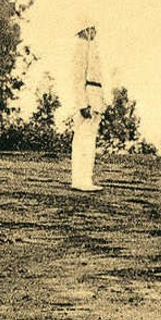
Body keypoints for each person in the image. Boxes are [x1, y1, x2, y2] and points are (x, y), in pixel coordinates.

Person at [70, 15, 105, 191]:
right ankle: (80, 180)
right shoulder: (81, 48)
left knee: (88, 140)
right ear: (85, 30)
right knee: (84, 139)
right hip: (88, 98)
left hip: (95, 96)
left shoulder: (91, 48)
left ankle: (85, 179)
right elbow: (78, 78)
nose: (94, 32)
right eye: (92, 29)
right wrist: (83, 103)